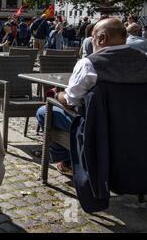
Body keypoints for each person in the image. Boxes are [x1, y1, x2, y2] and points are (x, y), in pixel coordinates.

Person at [36, 18, 147, 175]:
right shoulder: (144, 58)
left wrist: (57, 93)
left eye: (93, 37)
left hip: (98, 129)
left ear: (102, 38)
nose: (91, 41)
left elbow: (70, 101)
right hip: (137, 129)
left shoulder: (89, 64)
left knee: (43, 111)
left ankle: (68, 161)